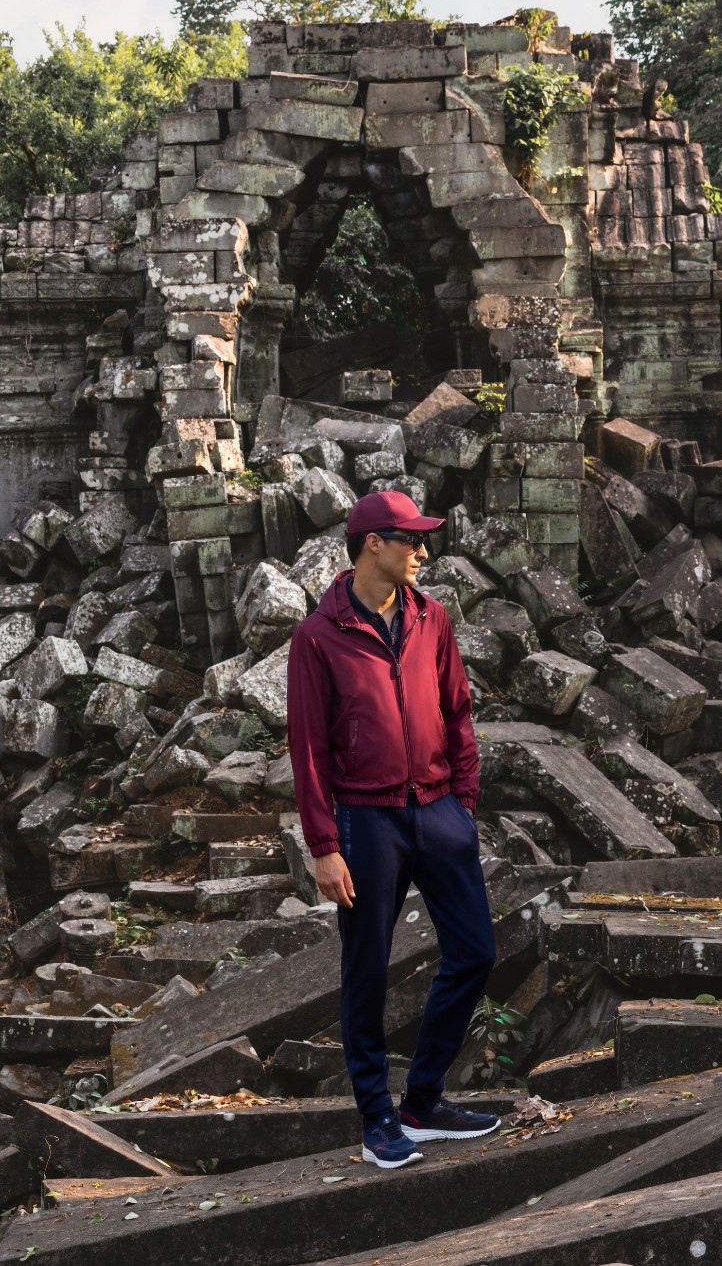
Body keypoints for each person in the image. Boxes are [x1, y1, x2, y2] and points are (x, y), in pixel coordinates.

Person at [287, 489, 499, 1170]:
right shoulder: (318, 636)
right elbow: (308, 750)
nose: (423, 552)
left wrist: (462, 803)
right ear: (373, 543)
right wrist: (324, 846)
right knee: (366, 972)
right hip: (366, 821)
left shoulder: (431, 617)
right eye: (412, 540)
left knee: (475, 951)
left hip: (438, 811)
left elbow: (457, 710)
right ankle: (378, 1116)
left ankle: (424, 1101)